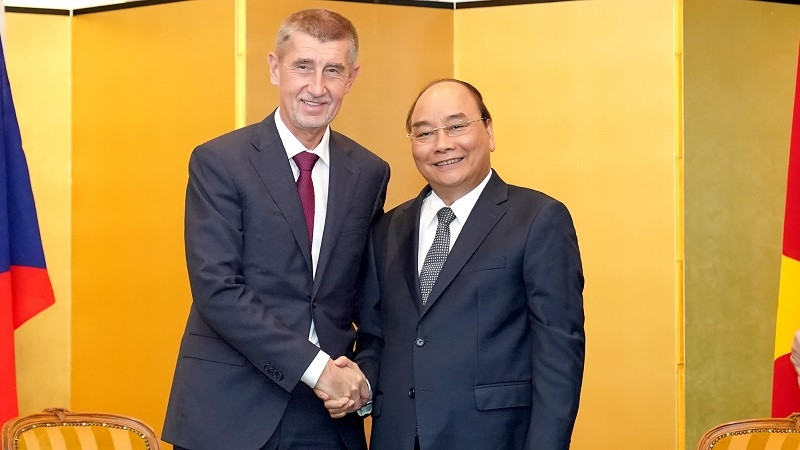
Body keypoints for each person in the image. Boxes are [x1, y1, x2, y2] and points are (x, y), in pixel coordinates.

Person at [162, 8, 389, 450]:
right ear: (274, 67)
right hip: (228, 413)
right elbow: (217, 289)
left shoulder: (369, 172)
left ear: (352, 77)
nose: (317, 87)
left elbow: (372, 297)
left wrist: (364, 378)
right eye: (303, 66)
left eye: (333, 71)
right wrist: (317, 367)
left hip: (327, 419)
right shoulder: (219, 162)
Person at [366, 79, 585, 450]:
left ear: (489, 131)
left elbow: (559, 356)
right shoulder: (387, 228)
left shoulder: (538, 219)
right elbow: (375, 337)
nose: (442, 144)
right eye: (424, 133)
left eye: (456, 126)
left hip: (495, 438)